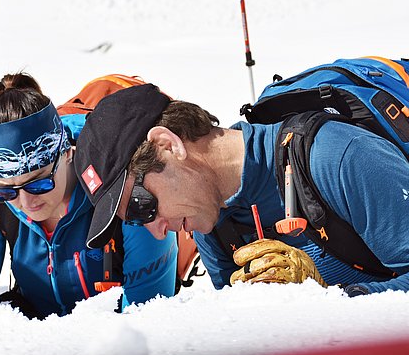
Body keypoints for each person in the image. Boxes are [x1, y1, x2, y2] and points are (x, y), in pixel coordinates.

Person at [73, 83, 409, 296]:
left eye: (140, 205)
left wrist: (325, 299)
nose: (157, 231)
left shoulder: (337, 156)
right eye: (131, 221)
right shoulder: (212, 224)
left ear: (167, 144)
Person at [0, 74, 177, 319]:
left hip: (115, 343)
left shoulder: (125, 186)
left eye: (39, 183)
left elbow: (148, 314)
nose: (26, 202)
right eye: (7, 191)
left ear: (66, 154)